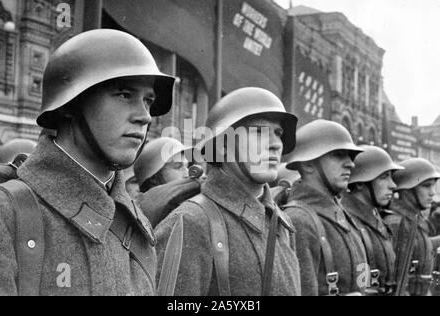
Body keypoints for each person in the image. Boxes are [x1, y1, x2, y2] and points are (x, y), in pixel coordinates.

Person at [0, 29, 175, 296]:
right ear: (70, 104)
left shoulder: (136, 223)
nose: (144, 116)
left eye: (148, 101)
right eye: (124, 94)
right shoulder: (3, 214)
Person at [155, 87, 301, 296]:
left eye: (278, 133)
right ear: (222, 146)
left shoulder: (281, 222)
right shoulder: (191, 222)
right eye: (259, 132)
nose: (276, 144)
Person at [282, 119, 367, 296]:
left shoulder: (343, 216)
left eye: (349, 156)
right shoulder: (299, 221)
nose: (350, 163)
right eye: (337, 154)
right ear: (307, 164)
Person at [342, 145, 403, 295]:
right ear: (361, 182)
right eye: (384, 177)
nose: (393, 185)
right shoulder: (347, 223)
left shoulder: (376, 219)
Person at [385, 158, 440, 296]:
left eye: (433, 186)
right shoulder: (396, 224)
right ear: (406, 190)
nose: (432, 192)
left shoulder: (413, 220)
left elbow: (420, 247)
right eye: (426, 186)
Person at [133, 137, 201, 225]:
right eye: (178, 167)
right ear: (154, 178)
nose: (187, 173)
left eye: (187, 166)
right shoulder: (138, 212)